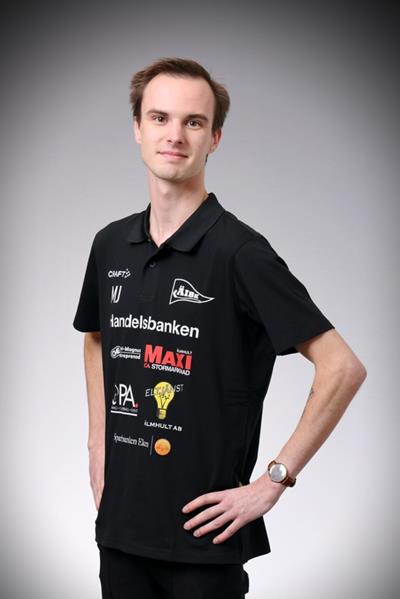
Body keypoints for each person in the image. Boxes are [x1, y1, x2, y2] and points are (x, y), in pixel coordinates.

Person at [72, 57, 367, 599]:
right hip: (120, 529)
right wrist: (98, 445)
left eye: (194, 122)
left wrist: (273, 481)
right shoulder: (109, 244)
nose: (174, 135)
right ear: (137, 128)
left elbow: (343, 367)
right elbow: (95, 335)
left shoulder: (240, 253)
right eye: (159, 118)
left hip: (204, 541)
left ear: (214, 138)